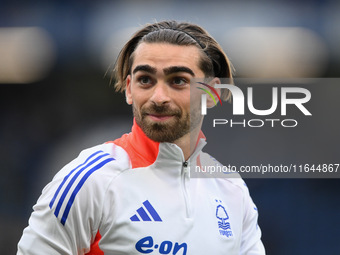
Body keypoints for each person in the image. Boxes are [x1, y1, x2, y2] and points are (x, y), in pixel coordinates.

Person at [17, 20, 265, 254]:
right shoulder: (91, 181)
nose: (158, 97)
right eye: (145, 80)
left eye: (178, 80)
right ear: (128, 89)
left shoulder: (232, 189)